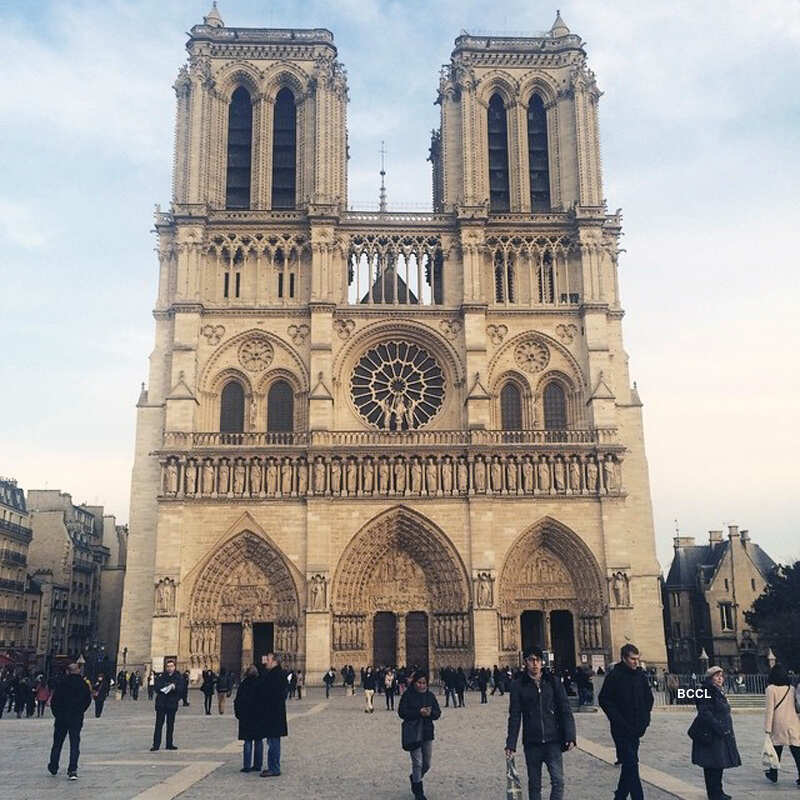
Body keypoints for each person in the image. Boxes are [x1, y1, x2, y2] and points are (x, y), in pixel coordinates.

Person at [505, 647, 576, 800]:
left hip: (553, 740)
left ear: (542, 662)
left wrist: (570, 735)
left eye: (538, 660)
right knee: (535, 785)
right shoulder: (518, 685)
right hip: (532, 742)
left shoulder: (553, 682)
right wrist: (511, 744)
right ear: (525, 662)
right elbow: (515, 716)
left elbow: (565, 710)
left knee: (558, 781)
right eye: (531, 660)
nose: (535, 663)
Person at [598, 643, 653, 800]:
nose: (636, 662)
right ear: (623, 658)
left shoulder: (640, 676)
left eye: (637, 659)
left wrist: (645, 720)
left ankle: (620, 796)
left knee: (630, 765)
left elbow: (649, 699)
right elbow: (604, 699)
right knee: (631, 764)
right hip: (621, 729)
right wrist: (617, 720)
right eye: (632, 659)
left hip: (636, 728)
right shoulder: (614, 676)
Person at [689, 666, 740, 799]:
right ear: (710, 678)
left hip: (719, 733)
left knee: (718, 764)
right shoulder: (705, 691)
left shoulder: (717, 691)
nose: (720, 678)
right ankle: (714, 794)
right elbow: (705, 713)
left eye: (721, 676)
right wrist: (719, 727)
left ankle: (718, 791)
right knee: (712, 765)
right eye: (716, 676)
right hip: (712, 733)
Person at [398, 670, 441, 800]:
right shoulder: (407, 695)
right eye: (419, 683)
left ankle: (415, 778)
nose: (421, 685)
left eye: (424, 683)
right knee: (417, 763)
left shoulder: (430, 696)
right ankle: (419, 793)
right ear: (414, 683)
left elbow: (438, 713)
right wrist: (418, 712)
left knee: (426, 764)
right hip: (413, 733)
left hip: (427, 732)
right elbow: (401, 712)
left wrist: (430, 713)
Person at [47, 663, 92, 780]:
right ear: (78, 671)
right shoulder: (83, 684)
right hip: (76, 718)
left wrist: (57, 714)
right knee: (74, 744)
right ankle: (72, 770)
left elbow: (54, 701)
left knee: (57, 743)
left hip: (61, 718)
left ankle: (53, 766)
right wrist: (80, 711)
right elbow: (87, 700)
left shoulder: (62, 683)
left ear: (68, 671)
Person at [763, 663, 800, 785]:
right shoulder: (791, 689)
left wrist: (767, 729)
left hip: (778, 724)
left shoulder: (770, 689)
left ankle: (773, 773)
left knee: (776, 750)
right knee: (796, 751)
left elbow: (769, 710)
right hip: (793, 722)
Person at [259, 652, 288, 778]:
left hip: (273, 713)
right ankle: (273, 767)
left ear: (275, 661)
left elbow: (269, 693)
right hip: (276, 713)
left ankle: (274, 768)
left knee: (273, 742)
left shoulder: (274, 675)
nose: (266, 661)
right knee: (273, 741)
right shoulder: (279, 674)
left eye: (269, 659)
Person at [234, 665, 263, 773]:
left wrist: (239, 714)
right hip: (258, 717)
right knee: (259, 741)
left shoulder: (243, 685)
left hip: (246, 717)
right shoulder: (261, 684)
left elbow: (237, 701)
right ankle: (258, 765)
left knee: (248, 741)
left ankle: (246, 766)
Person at [151, 659, 182, 751]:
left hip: (172, 704)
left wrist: (174, 687)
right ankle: (156, 745)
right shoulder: (161, 676)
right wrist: (167, 686)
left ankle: (169, 743)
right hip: (161, 704)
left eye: (171, 666)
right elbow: (157, 687)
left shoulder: (178, 677)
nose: (170, 668)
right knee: (158, 725)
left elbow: (181, 689)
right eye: (168, 666)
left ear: (174, 667)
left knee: (170, 725)